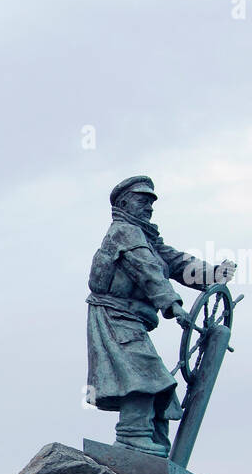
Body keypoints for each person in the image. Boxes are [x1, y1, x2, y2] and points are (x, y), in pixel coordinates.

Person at [86, 176, 235, 457]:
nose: (150, 207)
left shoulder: (145, 237)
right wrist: (173, 306)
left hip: (132, 320)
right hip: (115, 317)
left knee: (159, 384)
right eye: (144, 201)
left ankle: (154, 444)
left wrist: (213, 275)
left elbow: (177, 263)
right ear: (124, 203)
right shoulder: (125, 233)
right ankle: (132, 437)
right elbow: (147, 271)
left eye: (152, 202)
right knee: (144, 376)